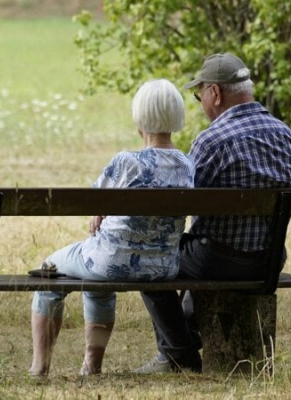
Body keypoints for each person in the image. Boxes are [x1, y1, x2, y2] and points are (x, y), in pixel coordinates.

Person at [134, 53, 291, 373]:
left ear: (215, 93)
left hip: (219, 261)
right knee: (201, 247)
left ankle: (178, 354)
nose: (200, 103)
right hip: (269, 261)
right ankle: (184, 341)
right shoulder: (285, 134)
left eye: (199, 96)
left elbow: (181, 205)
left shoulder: (211, 141)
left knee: (149, 258)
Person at [29, 79, 196, 377]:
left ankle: (39, 368)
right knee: (96, 279)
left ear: (139, 118)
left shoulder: (126, 162)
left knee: (49, 270)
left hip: (110, 262)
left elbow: (93, 202)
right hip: (162, 268)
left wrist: (100, 211)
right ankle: (91, 366)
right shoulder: (187, 164)